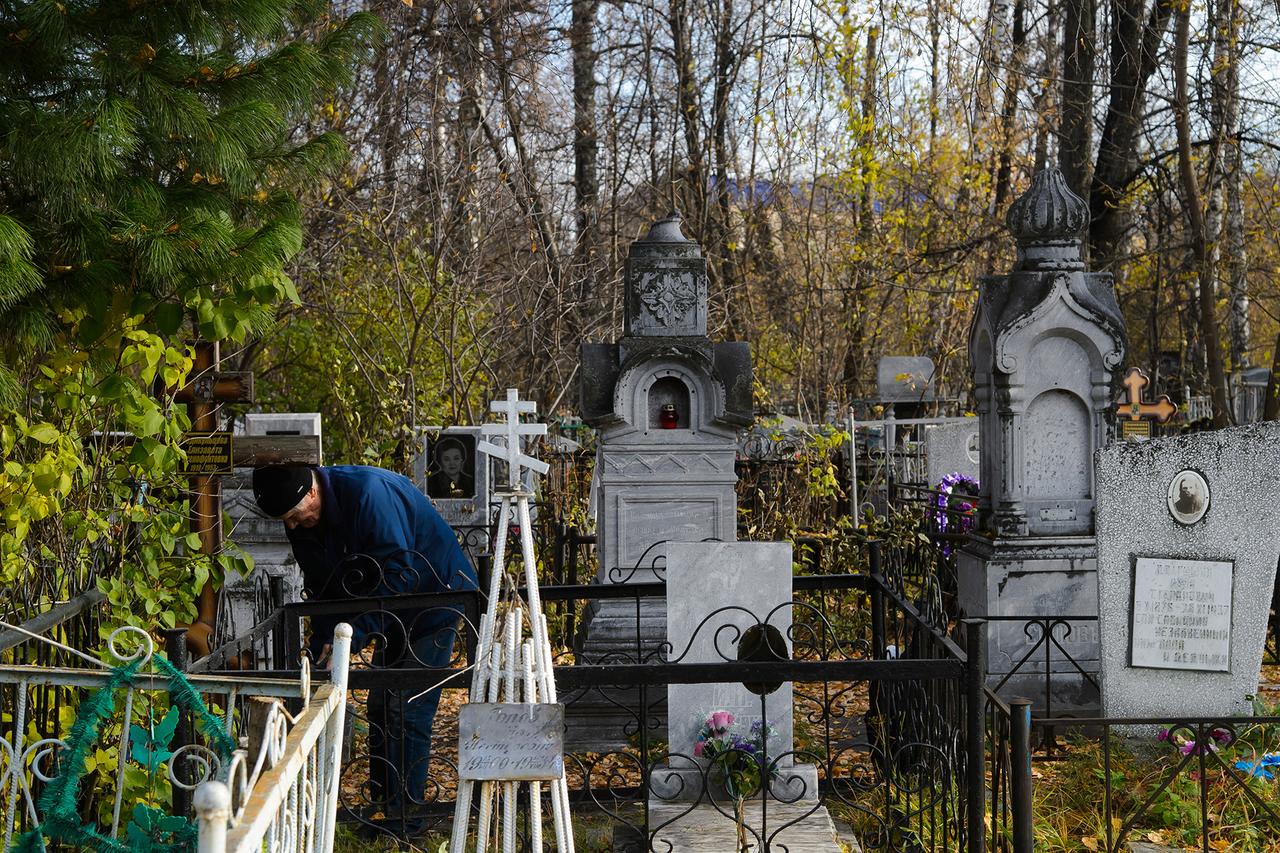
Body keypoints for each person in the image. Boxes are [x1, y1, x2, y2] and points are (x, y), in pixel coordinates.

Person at [252, 464, 478, 814]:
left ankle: (406, 819)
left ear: (312, 492)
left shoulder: (369, 494)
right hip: (391, 612)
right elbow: (325, 586)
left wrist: (356, 634)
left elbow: (402, 572)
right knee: (380, 707)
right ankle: (382, 806)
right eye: (286, 521)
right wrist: (323, 640)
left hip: (437, 599)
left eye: (295, 516)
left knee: (407, 708)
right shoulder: (301, 520)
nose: (293, 526)